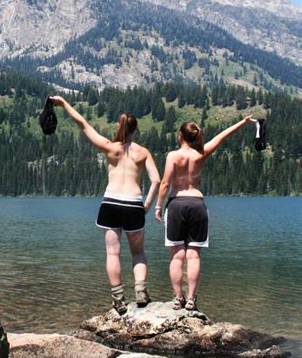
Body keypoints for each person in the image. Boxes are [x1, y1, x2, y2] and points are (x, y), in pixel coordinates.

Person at [49, 96, 160, 315]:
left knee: (112, 253)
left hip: (111, 203)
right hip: (133, 204)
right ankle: (140, 292)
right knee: (138, 253)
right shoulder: (143, 152)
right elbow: (156, 180)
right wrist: (147, 206)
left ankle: (118, 299)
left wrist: (64, 105)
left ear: (119, 126)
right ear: (135, 129)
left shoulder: (109, 147)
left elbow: (83, 124)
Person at [155, 116, 255, 311]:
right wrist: (242, 123)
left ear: (180, 136)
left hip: (176, 203)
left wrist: (158, 206)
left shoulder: (173, 156)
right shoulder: (201, 153)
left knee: (177, 257)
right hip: (197, 203)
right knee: (193, 256)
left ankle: (178, 298)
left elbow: (165, 183)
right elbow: (222, 136)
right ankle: (191, 299)